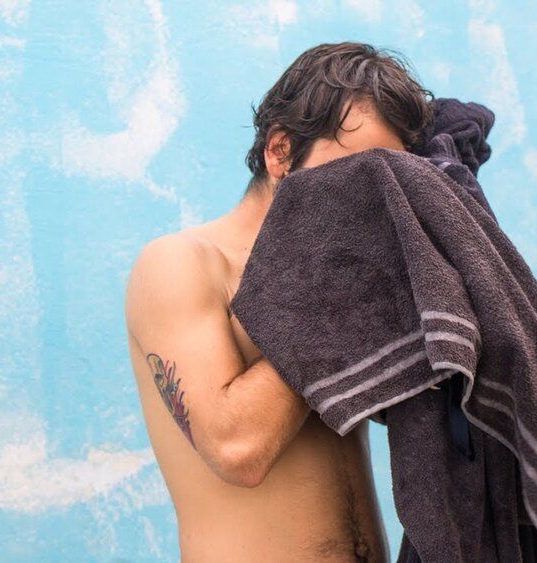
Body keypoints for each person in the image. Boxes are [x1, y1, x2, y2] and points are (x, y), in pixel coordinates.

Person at [124, 42, 434, 561]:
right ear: (280, 152)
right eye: (354, 171)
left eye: (389, 179)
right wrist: (346, 291)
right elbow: (237, 449)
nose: (372, 197)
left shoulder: (346, 273)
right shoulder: (181, 263)